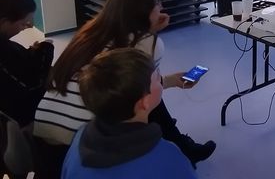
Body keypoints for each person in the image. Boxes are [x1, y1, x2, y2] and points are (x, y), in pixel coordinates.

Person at [33, 0, 214, 178]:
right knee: (147, 99)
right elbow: (142, 85)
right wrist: (151, 36)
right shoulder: (147, 43)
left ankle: (182, 145)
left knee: (143, 92)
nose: (162, 6)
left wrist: (170, 79)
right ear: (142, 11)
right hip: (83, 142)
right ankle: (181, 148)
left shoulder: (89, 32)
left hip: (43, 138)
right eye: (157, 2)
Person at [61, 48, 196, 178]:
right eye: (157, 77)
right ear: (144, 102)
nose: (161, 79)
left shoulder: (80, 138)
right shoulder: (169, 158)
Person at [0, 0, 54, 127]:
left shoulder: (6, 46)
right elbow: (32, 84)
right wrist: (44, 53)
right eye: (24, 23)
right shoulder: (3, 50)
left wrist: (30, 53)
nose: (28, 27)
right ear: (4, 22)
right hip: (17, 121)